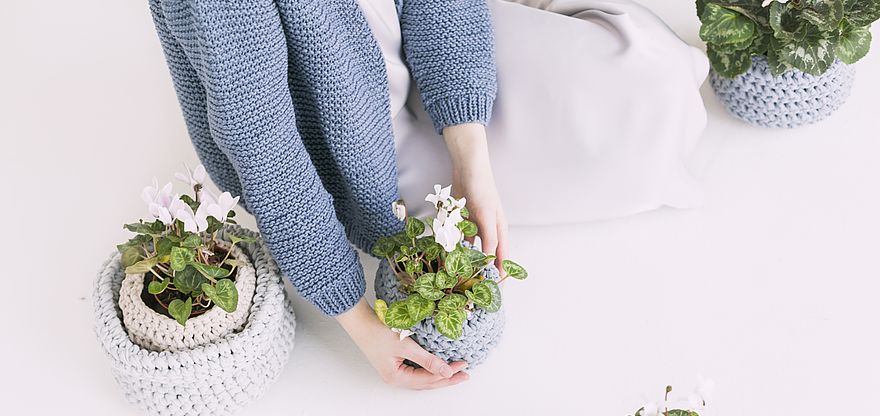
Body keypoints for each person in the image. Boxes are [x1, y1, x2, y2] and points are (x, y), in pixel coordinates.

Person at [148, 0, 707, 390]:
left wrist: (472, 160)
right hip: (354, 153)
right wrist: (359, 322)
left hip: (418, 53)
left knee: (654, 72)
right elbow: (265, 145)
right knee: (641, 132)